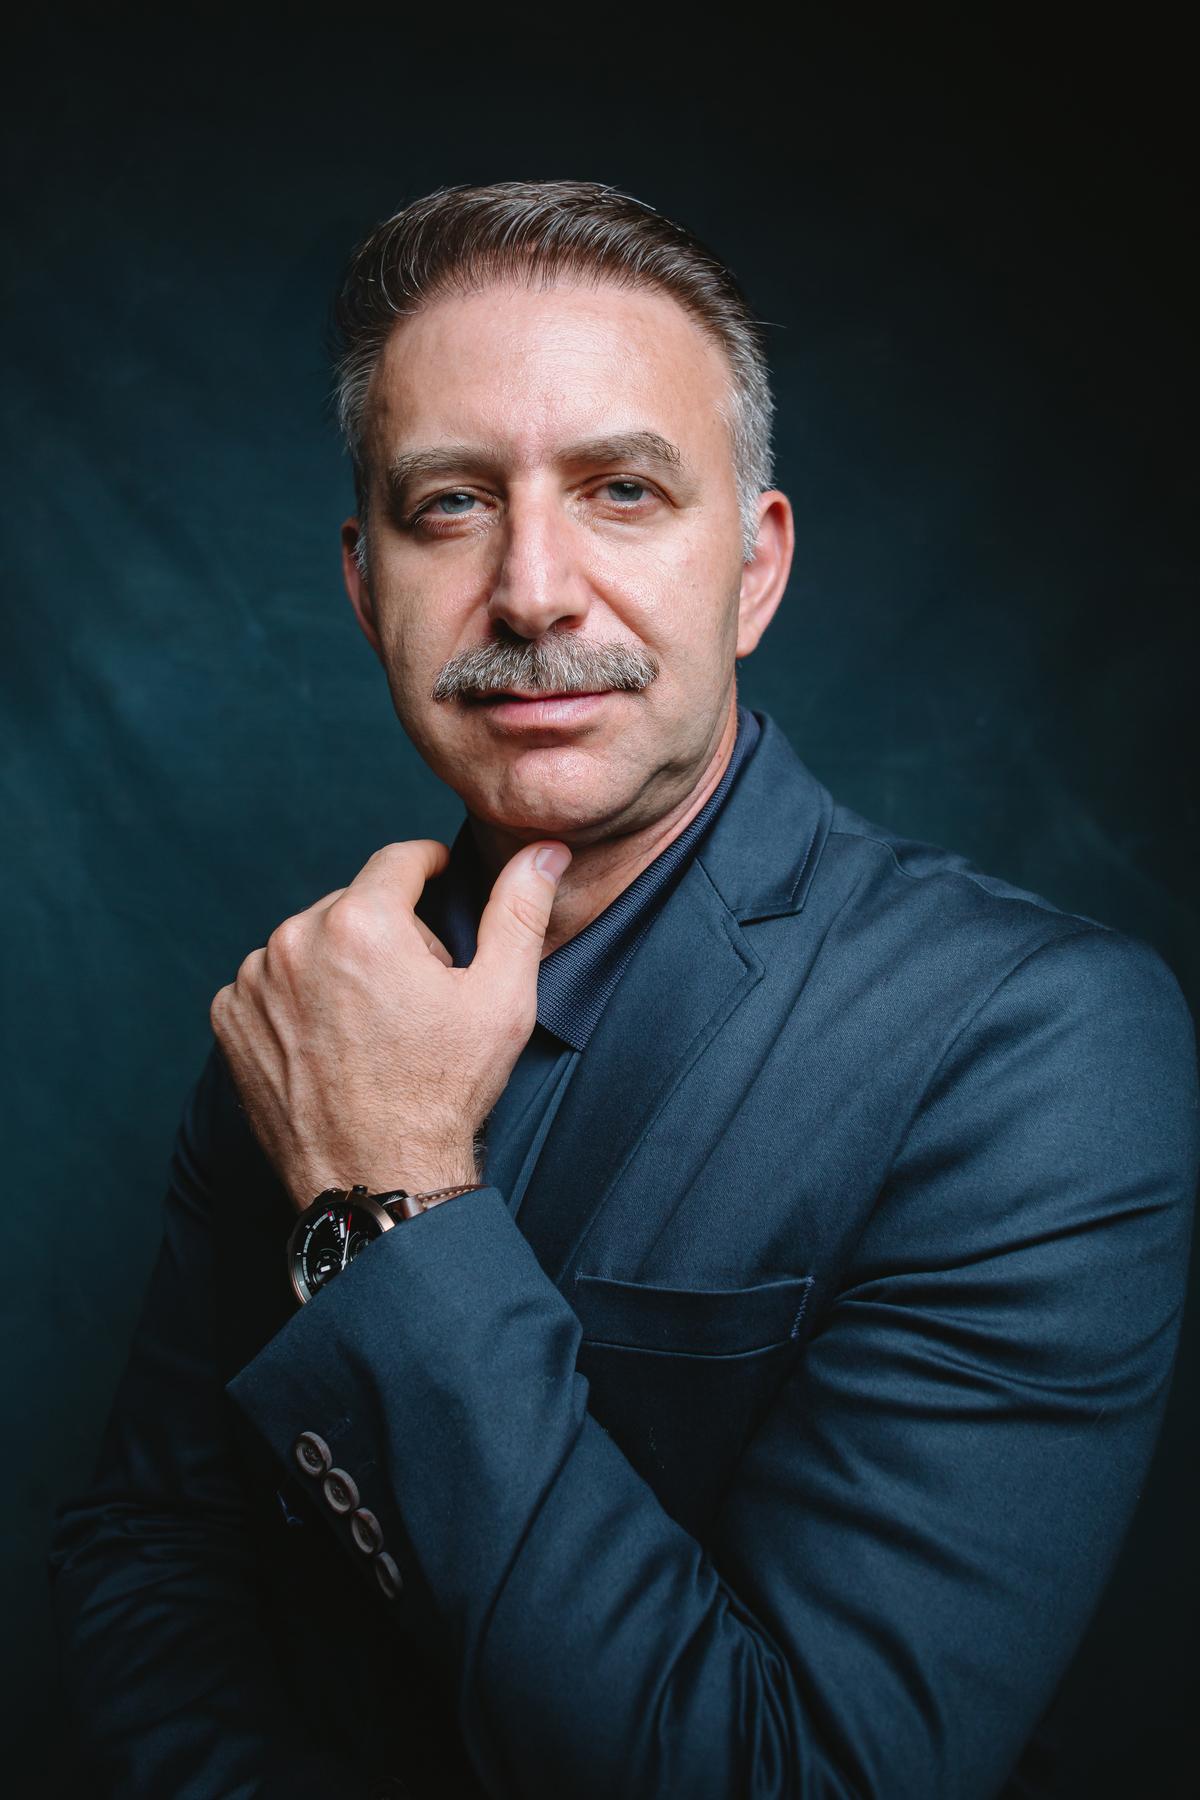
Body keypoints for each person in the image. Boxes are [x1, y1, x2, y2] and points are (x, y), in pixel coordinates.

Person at [50, 181, 1197, 1800]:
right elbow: (149, 1554)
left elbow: (799, 1775)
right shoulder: (312, 1003)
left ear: (754, 568)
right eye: (452, 503)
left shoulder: (1040, 1046)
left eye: (623, 491)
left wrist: (391, 1188)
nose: (532, 590)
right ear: (366, 585)